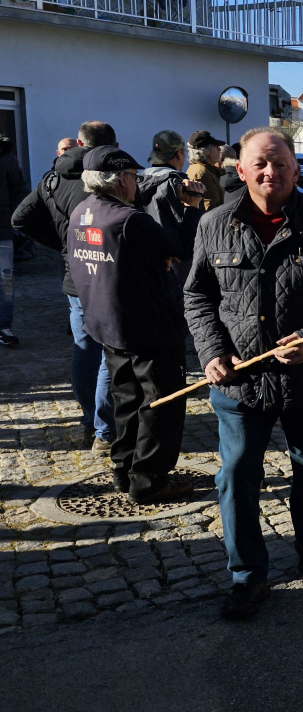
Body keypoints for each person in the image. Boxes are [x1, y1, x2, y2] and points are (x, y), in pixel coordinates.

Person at [184, 127, 303, 620]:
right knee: (235, 473)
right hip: (239, 382)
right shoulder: (214, 225)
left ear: (295, 168)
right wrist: (211, 350)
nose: (270, 172)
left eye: (279, 162)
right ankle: (248, 577)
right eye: (260, 164)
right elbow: (198, 296)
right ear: (241, 170)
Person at [68, 146, 198, 502]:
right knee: (162, 402)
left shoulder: (82, 211)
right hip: (148, 327)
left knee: (126, 399)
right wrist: (190, 208)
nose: (137, 183)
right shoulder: (129, 218)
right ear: (122, 178)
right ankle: (150, 480)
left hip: (107, 324)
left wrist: (159, 259)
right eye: (134, 177)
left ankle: (124, 469)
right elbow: (181, 245)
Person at [11, 121, 118, 452]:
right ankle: (106, 429)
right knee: (109, 353)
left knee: (84, 351)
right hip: (106, 276)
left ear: (79, 142)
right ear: (109, 146)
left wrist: (64, 243)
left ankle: (91, 422)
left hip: (75, 278)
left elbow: (20, 219)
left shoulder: (52, 178)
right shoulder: (105, 177)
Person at [135, 130, 206, 285]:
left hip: (149, 262)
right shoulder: (180, 184)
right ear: (179, 154)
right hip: (180, 266)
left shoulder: (137, 181)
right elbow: (194, 228)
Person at [0, 134, 29, 346]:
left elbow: (18, 189)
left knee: (5, 281)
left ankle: (4, 327)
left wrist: (15, 219)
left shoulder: (4, 153)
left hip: (1, 230)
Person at [186, 130, 226, 210]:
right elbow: (211, 209)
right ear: (206, 151)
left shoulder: (206, 170)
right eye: (215, 146)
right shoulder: (201, 173)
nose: (219, 150)